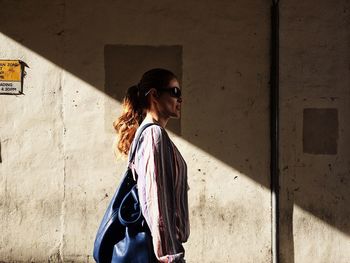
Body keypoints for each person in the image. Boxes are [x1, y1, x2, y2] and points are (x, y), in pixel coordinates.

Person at [113, 68, 190, 263]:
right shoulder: (153, 136)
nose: (180, 99)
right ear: (154, 95)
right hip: (157, 253)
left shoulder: (149, 135)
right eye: (175, 92)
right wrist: (170, 257)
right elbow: (157, 202)